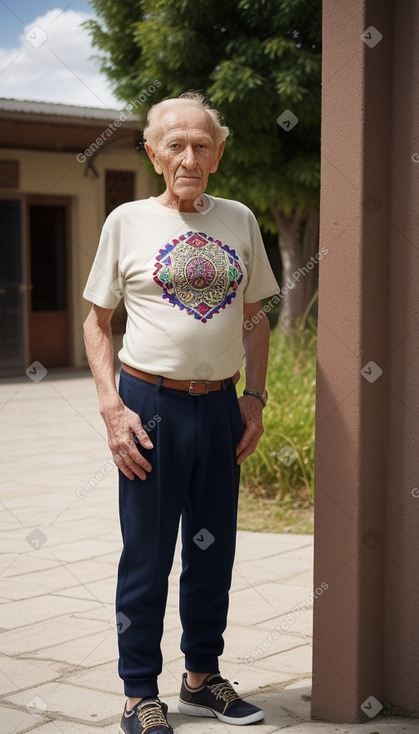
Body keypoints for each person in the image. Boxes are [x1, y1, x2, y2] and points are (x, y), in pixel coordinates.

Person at [83, 92, 279, 734]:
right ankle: (140, 691)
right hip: (149, 408)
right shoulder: (126, 222)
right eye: (176, 144)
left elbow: (257, 314)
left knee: (213, 550)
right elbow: (98, 321)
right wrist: (113, 409)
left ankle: (202, 677)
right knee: (146, 553)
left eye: (202, 145)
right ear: (153, 153)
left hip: (220, 406)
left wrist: (253, 397)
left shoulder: (240, 219)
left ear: (218, 154)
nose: (189, 156)